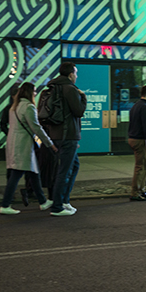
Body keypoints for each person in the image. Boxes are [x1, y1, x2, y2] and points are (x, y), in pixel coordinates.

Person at [0, 82, 56, 215]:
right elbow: (36, 128)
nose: (35, 93)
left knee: (34, 173)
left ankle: (43, 202)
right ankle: (5, 205)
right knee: (17, 173)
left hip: (13, 143)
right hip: (23, 144)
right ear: (29, 92)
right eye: (34, 91)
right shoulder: (28, 107)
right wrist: (49, 143)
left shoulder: (14, 106)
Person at [46, 62, 87, 217]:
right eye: (75, 73)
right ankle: (57, 206)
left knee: (73, 166)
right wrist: (83, 98)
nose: (76, 76)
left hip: (56, 134)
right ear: (71, 75)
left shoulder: (53, 87)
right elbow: (78, 111)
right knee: (64, 171)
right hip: (67, 136)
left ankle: (63, 200)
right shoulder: (69, 89)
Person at [128, 85, 146, 201]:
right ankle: (136, 192)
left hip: (134, 138)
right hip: (140, 140)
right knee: (141, 166)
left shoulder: (135, 106)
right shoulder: (144, 107)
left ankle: (141, 189)